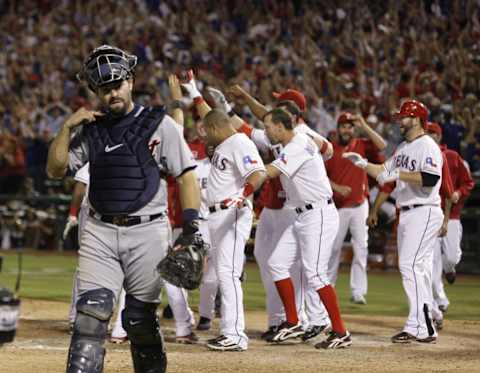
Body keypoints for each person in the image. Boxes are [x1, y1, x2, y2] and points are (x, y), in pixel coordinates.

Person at [46, 45, 201, 373]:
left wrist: (190, 228)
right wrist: (65, 128)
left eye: (117, 84)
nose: (112, 92)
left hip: (148, 230)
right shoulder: (91, 129)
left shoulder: (160, 124)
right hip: (99, 231)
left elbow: (186, 175)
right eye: (104, 88)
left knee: (139, 321)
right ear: (95, 92)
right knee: (89, 318)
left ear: (130, 81)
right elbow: (56, 170)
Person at [344, 99, 443, 343]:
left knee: (410, 266)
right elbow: (383, 173)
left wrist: (400, 174)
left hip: (424, 210)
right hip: (408, 212)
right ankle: (419, 324)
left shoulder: (427, 145)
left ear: (417, 119)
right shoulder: (402, 147)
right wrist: (364, 164)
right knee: (414, 268)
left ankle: (423, 326)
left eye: (404, 117)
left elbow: (430, 178)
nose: (399, 120)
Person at [262, 108, 351, 350]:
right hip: (301, 214)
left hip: (319, 213)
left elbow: (271, 172)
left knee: (316, 273)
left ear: (281, 127)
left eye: (269, 126)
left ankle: (340, 331)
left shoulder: (296, 145)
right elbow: (326, 148)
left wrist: (247, 173)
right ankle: (292, 321)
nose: (266, 130)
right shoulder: (301, 137)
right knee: (277, 263)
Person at [198, 109, 266, 351]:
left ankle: (235, 334)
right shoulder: (225, 143)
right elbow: (209, 114)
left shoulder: (239, 142)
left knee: (228, 273)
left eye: (207, 133)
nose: (205, 138)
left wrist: (242, 195)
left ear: (216, 128)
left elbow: (259, 174)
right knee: (223, 273)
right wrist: (193, 91)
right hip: (216, 215)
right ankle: (230, 331)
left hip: (232, 214)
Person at [325, 112, 386, 305]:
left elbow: (382, 145)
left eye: (350, 126)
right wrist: (337, 187)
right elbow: (320, 176)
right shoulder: (330, 149)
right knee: (333, 249)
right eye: (343, 126)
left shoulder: (361, 144)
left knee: (361, 248)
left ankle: (358, 291)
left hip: (360, 204)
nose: (347, 129)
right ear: (338, 128)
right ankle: (328, 287)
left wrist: (364, 125)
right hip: (338, 207)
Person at [425, 122, 474, 316]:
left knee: (452, 256)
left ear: (439, 136)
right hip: (430, 214)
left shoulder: (452, 156)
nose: (429, 135)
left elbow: (468, 182)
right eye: (427, 132)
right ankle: (441, 300)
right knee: (433, 260)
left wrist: (458, 192)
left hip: (452, 215)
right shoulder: (423, 156)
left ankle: (450, 269)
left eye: (432, 133)